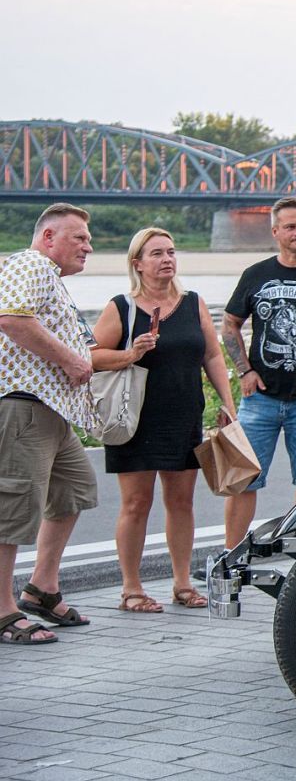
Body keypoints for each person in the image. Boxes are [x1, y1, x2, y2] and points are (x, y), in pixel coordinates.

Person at [90, 226, 234, 613]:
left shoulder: (193, 303)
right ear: (137, 263)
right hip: (135, 418)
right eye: (156, 253)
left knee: (182, 502)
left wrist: (228, 403)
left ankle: (182, 583)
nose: (167, 259)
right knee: (136, 503)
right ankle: (131, 588)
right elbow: (89, 355)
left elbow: (212, 356)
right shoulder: (122, 307)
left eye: (170, 251)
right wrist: (130, 354)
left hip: (183, 413)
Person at [0, 204, 99, 644]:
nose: (88, 246)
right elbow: (11, 319)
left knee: (74, 489)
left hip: (53, 413)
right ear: (47, 238)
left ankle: (42, 588)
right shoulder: (32, 264)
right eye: (78, 237)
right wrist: (71, 360)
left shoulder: (51, 280)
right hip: (23, 407)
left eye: (88, 239)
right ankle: (3, 612)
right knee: (13, 512)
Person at [220, 197, 296, 549]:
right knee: (243, 481)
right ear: (275, 232)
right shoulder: (256, 275)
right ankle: (232, 557)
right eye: (290, 226)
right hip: (260, 398)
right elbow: (229, 324)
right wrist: (243, 371)